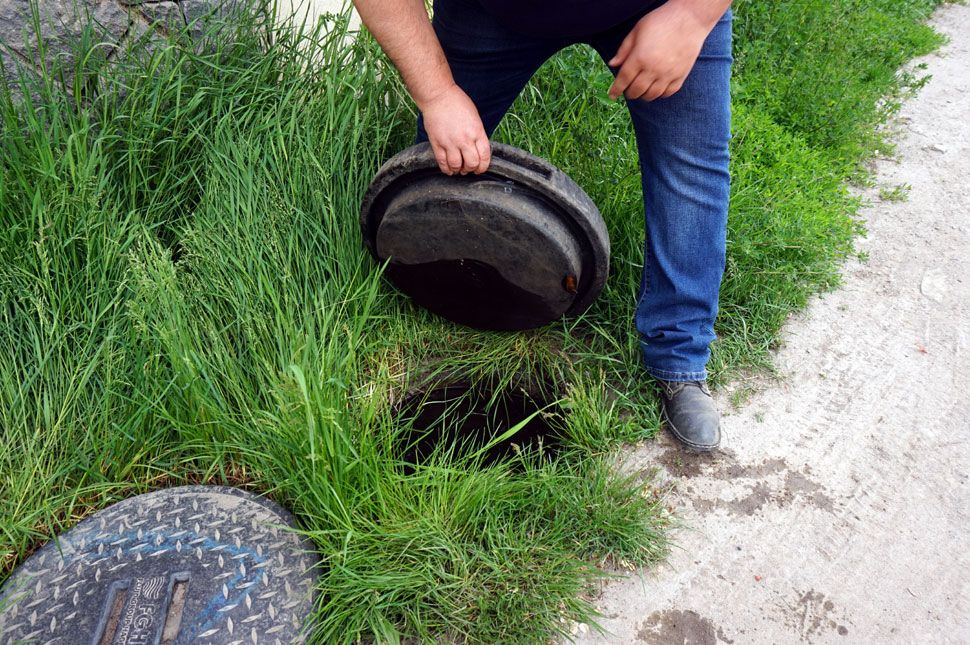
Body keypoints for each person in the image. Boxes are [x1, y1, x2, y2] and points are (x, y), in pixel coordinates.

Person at [353, 0, 733, 451]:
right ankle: (457, 294)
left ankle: (679, 358)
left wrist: (692, 16)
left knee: (691, 170)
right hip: (493, 13)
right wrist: (437, 95)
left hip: (658, 8)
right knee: (441, 173)